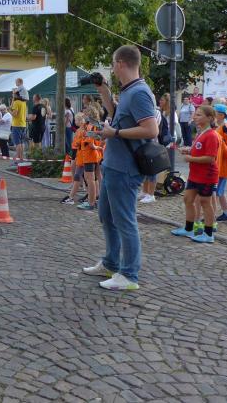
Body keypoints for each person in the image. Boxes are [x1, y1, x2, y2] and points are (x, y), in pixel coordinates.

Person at [82, 45, 158, 291]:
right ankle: (111, 263)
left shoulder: (139, 93)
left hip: (125, 168)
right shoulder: (129, 91)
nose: (113, 69)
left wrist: (114, 133)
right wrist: (103, 89)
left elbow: (151, 130)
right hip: (113, 165)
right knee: (106, 216)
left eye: (113, 64)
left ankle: (129, 275)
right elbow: (116, 113)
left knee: (125, 220)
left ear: (121, 63)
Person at [172, 105, 221, 242]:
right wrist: (189, 150)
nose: (195, 117)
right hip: (195, 174)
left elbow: (210, 158)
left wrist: (191, 158)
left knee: (205, 202)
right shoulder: (201, 132)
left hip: (207, 175)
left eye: (199, 115)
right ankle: (189, 228)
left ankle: (208, 234)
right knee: (188, 199)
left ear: (209, 118)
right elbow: (200, 150)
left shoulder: (211, 135)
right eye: (195, 114)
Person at [10, 90, 27, 161]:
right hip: (23, 124)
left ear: (16, 95)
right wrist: (13, 100)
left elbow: (14, 114)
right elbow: (12, 107)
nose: (12, 95)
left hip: (16, 124)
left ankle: (18, 159)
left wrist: (9, 111)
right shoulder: (24, 102)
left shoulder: (16, 102)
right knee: (22, 142)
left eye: (13, 94)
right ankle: (21, 158)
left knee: (17, 143)